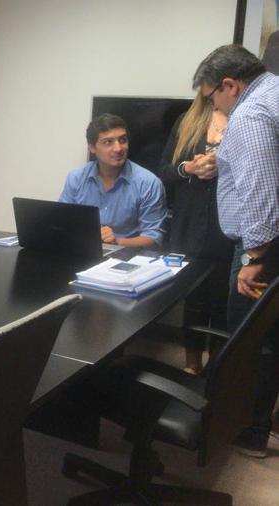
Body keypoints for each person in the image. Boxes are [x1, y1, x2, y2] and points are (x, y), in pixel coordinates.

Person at [193, 44, 279, 458]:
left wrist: (252, 259)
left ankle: (247, 430)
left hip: (262, 248)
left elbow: (260, 189)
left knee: (250, 341)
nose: (214, 106)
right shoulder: (274, 91)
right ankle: (261, 421)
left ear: (230, 85)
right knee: (270, 337)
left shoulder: (249, 113)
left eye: (212, 98)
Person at [159, 90, 234, 373]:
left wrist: (222, 168)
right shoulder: (186, 121)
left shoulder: (244, 120)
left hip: (227, 227)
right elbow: (164, 171)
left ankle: (218, 370)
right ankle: (191, 365)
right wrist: (189, 167)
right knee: (194, 301)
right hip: (189, 225)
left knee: (223, 304)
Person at [60, 113, 167, 248]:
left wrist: (116, 242)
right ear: (92, 147)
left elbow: (153, 237)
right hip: (83, 250)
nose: (118, 148)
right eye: (108, 142)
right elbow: (63, 222)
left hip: (128, 255)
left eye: (122, 140)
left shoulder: (148, 183)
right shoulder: (76, 178)